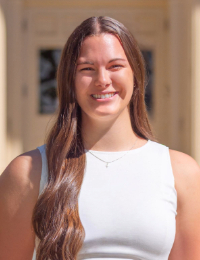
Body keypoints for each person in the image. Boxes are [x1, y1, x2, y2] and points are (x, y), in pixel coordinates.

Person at [0, 16, 200, 260]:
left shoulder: (181, 172)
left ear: (136, 75)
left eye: (115, 66)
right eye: (87, 69)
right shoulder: (28, 173)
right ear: (70, 81)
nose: (103, 80)